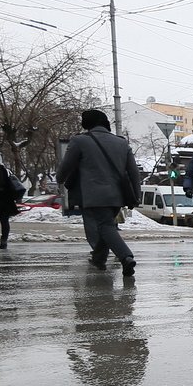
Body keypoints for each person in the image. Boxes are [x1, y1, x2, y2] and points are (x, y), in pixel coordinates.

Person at [56, 109, 141, 276]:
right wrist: (136, 194)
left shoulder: (79, 141)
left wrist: (60, 179)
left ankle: (126, 257)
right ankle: (98, 259)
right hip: (118, 195)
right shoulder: (121, 142)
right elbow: (133, 171)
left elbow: (66, 166)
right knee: (106, 227)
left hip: (93, 194)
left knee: (105, 226)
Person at [0, 157, 22, 249]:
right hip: (4, 200)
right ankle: (4, 240)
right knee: (4, 221)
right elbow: (10, 185)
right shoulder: (4, 171)